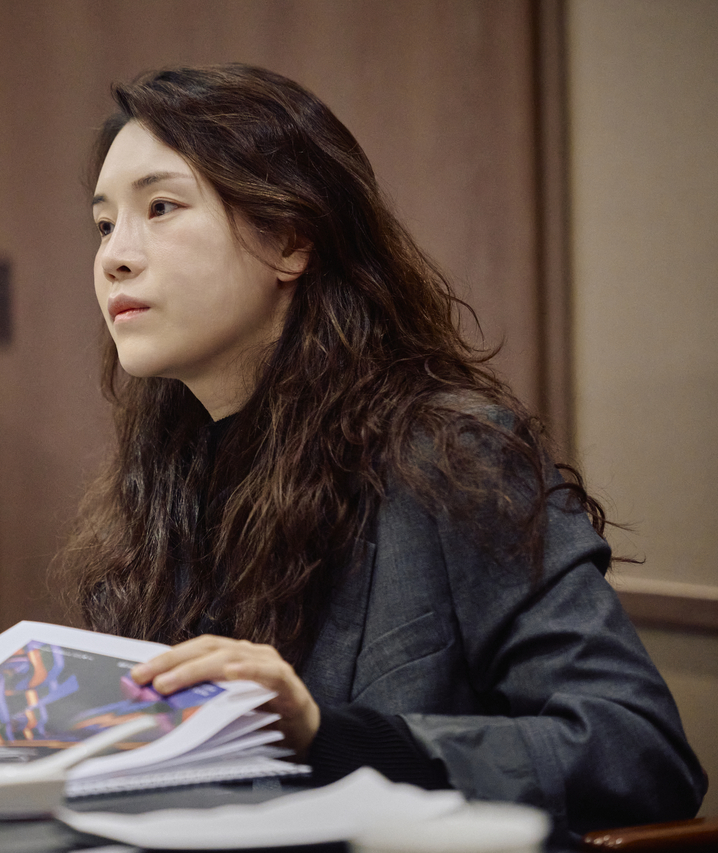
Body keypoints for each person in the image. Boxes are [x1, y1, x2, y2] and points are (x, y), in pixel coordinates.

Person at [56, 64, 706, 840]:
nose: (115, 256)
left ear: (290, 238)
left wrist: (326, 733)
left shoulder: (449, 452)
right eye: (103, 224)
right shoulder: (166, 466)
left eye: (160, 207)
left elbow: (640, 749)